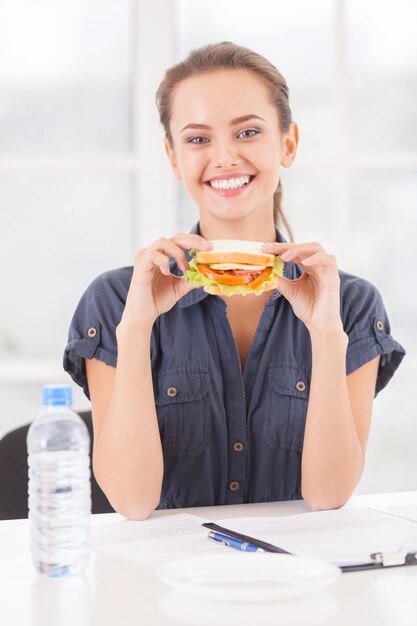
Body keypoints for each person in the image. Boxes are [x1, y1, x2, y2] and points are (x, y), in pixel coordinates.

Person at [64, 42, 405, 520]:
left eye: (247, 132)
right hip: (163, 586)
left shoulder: (348, 302)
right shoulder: (118, 299)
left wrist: (327, 335)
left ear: (287, 143)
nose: (224, 157)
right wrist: (137, 327)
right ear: (173, 157)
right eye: (198, 139)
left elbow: (328, 495)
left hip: (296, 580)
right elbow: (132, 501)